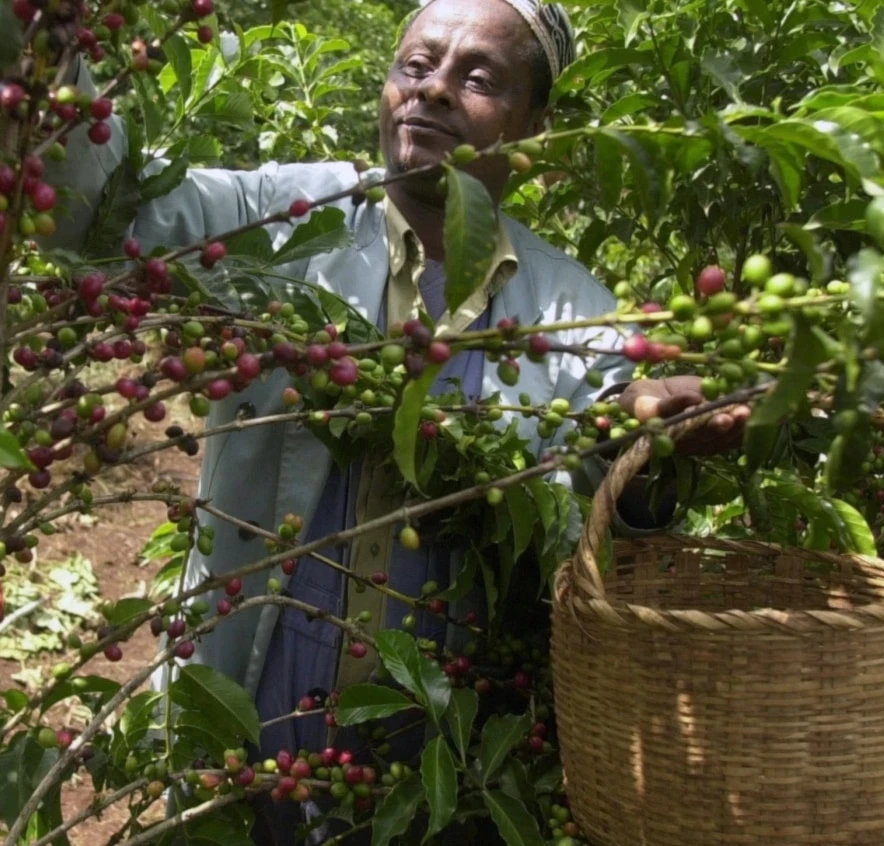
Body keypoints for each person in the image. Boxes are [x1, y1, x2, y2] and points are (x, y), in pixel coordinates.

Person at [43, 0, 749, 841]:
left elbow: (600, 520)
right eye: (416, 66)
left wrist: (649, 449)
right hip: (244, 735)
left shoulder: (573, 316)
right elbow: (105, 212)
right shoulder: (283, 220)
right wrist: (49, 54)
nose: (435, 92)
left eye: (478, 77)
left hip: (443, 783)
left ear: (536, 124)